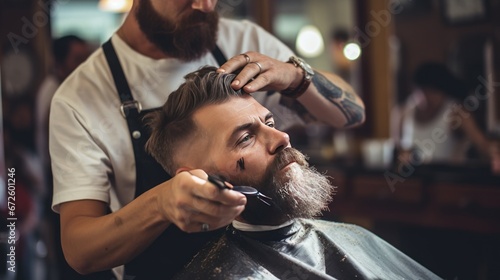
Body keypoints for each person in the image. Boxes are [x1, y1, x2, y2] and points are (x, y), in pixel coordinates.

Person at [49, 1, 365, 278]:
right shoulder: (80, 97)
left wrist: (296, 76)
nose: (204, 5)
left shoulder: (242, 40)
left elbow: (352, 113)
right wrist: (160, 204)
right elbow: (80, 251)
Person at [144, 66, 440, 279]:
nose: (282, 138)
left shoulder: (355, 238)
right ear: (197, 179)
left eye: (270, 124)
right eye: (245, 138)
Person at [391, 62, 492, 164]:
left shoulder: (457, 114)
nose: (426, 98)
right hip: (413, 178)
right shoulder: (402, 113)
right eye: (422, 92)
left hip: (447, 178)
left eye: (432, 92)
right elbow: (396, 152)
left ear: (443, 92)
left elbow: (483, 146)